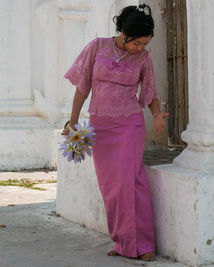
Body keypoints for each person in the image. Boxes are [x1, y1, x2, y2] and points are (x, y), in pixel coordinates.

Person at [63, 4, 167, 262]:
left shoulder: (143, 58)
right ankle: (123, 243)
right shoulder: (97, 47)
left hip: (129, 124)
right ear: (123, 33)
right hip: (101, 127)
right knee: (111, 187)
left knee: (132, 180)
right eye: (137, 43)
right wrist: (73, 120)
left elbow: (150, 91)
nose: (141, 48)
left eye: (145, 43)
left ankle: (144, 245)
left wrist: (156, 115)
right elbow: (82, 86)